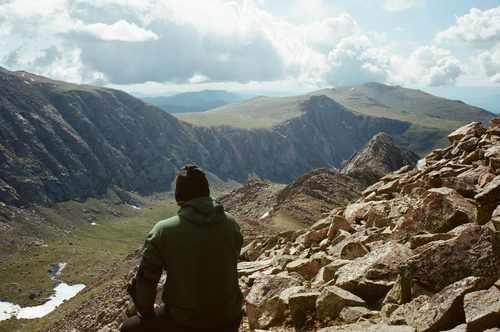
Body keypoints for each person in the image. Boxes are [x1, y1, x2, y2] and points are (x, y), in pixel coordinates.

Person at [120, 165, 243, 332]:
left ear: (179, 196)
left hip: (185, 323)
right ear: (206, 191)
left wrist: (147, 313)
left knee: (129, 328)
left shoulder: (164, 231)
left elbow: (146, 282)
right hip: (230, 319)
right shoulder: (230, 222)